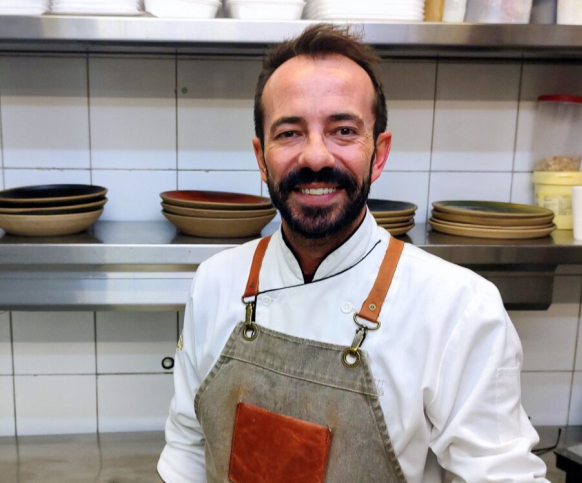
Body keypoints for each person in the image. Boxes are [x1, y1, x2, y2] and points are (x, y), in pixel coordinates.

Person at [158, 24, 549, 483]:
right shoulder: (215, 282)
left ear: (378, 154)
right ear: (261, 159)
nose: (316, 157)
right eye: (290, 133)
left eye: (343, 130)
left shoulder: (458, 308)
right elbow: (187, 448)